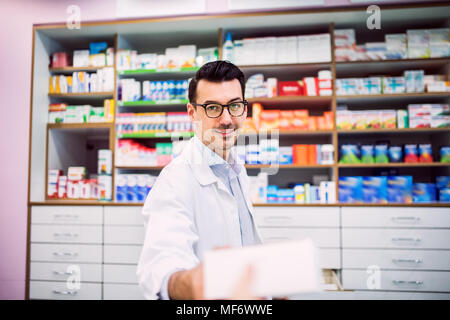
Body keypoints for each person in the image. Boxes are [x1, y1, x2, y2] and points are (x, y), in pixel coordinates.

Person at [136, 60, 263, 300]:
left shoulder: (237, 170)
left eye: (234, 106)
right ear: (192, 113)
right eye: (213, 108)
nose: (226, 119)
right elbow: (161, 266)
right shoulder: (175, 181)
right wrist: (193, 284)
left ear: (244, 110)